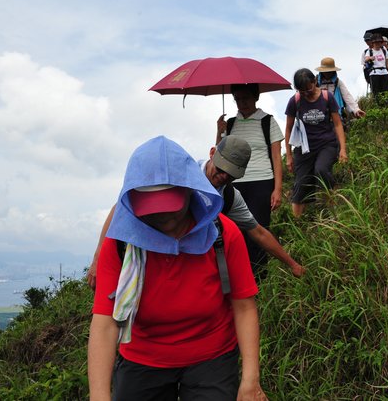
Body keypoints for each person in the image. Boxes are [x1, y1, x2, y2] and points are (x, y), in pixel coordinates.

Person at [88, 136, 265, 400]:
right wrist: (99, 396)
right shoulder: (122, 243)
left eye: (169, 205)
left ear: (190, 189)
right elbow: (104, 323)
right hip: (143, 356)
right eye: (151, 207)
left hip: (212, 354)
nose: (161, 215)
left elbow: (244, 306)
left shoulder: (223, 234)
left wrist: (250, 380)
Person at [86, 135, 305, 289]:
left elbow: (258, 232)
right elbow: (122, 208)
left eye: (231, 174)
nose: (224, 177)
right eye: (221, 169)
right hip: (150, 265)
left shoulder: (229, 197)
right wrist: (98, 259)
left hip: (192, 275)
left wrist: (292, 264)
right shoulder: (179, 176)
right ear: (212, 153)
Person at [216, 83, 285, 280]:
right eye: (237, 99)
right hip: (233, 183)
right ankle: (241, 277)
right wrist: (220, 131)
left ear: (255, 97)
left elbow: (276, 157)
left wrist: (278, 189)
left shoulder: (267, 121)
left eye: (245, 98)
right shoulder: (230, 124)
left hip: (262, 181)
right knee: (234, 232)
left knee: (259, 229)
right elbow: (219, 154)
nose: (242, 103)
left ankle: (260, 278)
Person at [284, 68, 348, 218]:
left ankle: (332, 212)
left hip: (326, 144)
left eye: (309, 89)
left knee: (321, 170)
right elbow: (288, 129)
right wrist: (288, 156)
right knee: (301, 183)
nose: (306, 93)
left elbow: (337, 124)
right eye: (302, 91)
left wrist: (343, 149)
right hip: (304, 147)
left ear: (314, 81)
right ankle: (298, 223)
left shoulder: (327, 97)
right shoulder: (295, 101)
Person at [316, 56, 365, 124]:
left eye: (329, 71)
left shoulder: (338, 82)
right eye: (326, 71)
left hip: (335, 113)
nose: (327, 73)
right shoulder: (315, 83)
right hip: (318, 114)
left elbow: (347, 97)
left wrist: (356, 110)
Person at [361, 34, 388, 100]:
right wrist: (370, 58)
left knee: (386, 91)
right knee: (376, 93)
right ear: (373, 43)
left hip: (384, 72)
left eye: (379, 42)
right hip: (374, 73)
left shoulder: (384, 50)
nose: (377, 44)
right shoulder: (369, 51)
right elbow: (365, 59)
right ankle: (378, 104)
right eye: (375, 42)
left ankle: (386, 104)